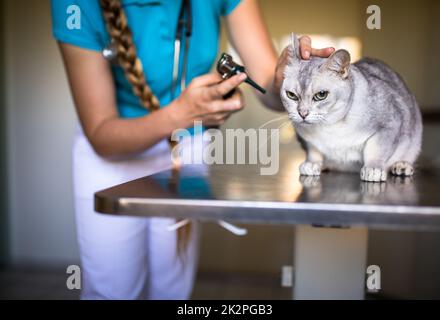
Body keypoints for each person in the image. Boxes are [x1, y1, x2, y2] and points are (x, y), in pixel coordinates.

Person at [51, 0, 334, 299]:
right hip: (115, 147)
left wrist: (286, 78)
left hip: (185, 147)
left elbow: (267, 85)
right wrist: (179, 115)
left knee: (173, 286)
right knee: (111, 290)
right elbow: (101, 135)